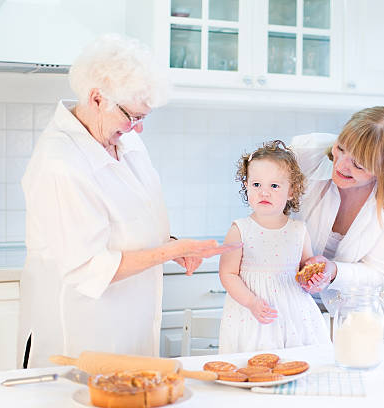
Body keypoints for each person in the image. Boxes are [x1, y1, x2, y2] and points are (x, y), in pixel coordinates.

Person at [18, 34, 239, 368]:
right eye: (132, 116)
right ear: (96, 98)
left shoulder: (124, 142)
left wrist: (176, 245)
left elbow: (135, 219)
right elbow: (88, 268)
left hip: (129, 329)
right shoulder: (60, 163)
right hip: (81, 335)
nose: (137, 129)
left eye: (143, 118)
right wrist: (170, 252)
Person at [291, 107, 384, 308]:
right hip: (290, 299)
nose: (341, 165)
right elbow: (261, 176)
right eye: (340, 149)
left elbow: (376, 272)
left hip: (350, 310)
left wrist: (333, 270)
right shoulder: (306, 156)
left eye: (359, 165)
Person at [218, 140, 331, 353]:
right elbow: (228, 274)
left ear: (291, 191)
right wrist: (252, 302)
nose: (264, 192)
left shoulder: (299, 230)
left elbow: (305, 270)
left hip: (294, 313)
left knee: (298, 362)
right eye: (256, 185)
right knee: (257, 363)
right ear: (247, 186)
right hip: (253, 314)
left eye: (274, 186)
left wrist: (313, 277)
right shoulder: (239, 230)